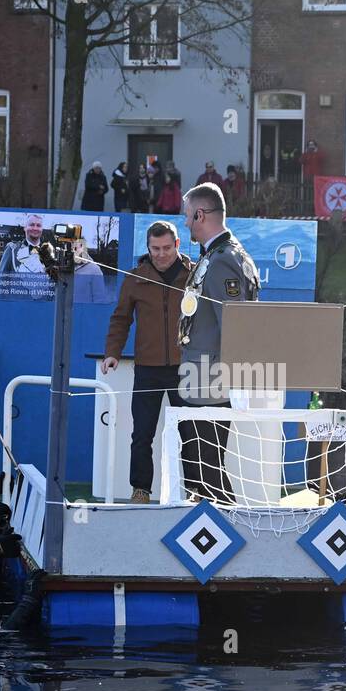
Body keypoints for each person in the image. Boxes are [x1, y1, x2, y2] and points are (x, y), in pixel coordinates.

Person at [178, 182, 260, 503]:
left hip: (208, 379)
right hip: (201, 375)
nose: (185, 223)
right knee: (199, 465)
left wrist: (236, 381)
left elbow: (234, 323)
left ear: (200, 214)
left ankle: (232, 529)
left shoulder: (224, 258)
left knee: (206, 467)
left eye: (187, 216)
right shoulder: (220, 253)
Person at [102, 220, 194, 503]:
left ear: (177, 245)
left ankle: (196, 491)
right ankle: (140, 490)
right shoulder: (134, 278)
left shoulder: (196, 276)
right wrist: (112, 353)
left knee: (190, 434)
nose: (161, 254)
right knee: (142, 435)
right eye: (155, 248)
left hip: (186, 368)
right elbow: (121, 319)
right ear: (148, 247)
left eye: (167, 248)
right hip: (147, 369)